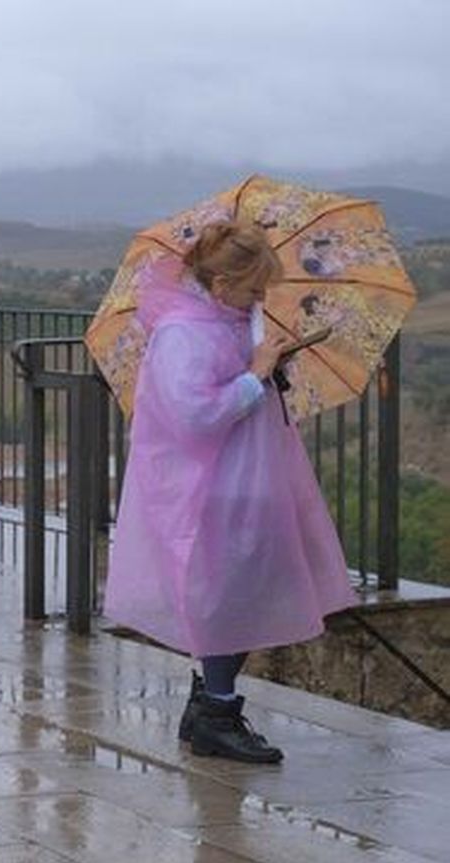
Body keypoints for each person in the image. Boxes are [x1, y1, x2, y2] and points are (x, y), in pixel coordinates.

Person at [103, 222, 357, 765]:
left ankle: (209, 705)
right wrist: (254, 377)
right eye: (253, 289)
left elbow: (236, 383)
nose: (260, 299)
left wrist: (267, 364)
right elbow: (194, 414)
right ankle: (218, 711)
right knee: (228, 595)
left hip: (245, 479)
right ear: (220, 284)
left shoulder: (227, 320)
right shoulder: (183, 333)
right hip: (213, 489)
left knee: (242, 590)